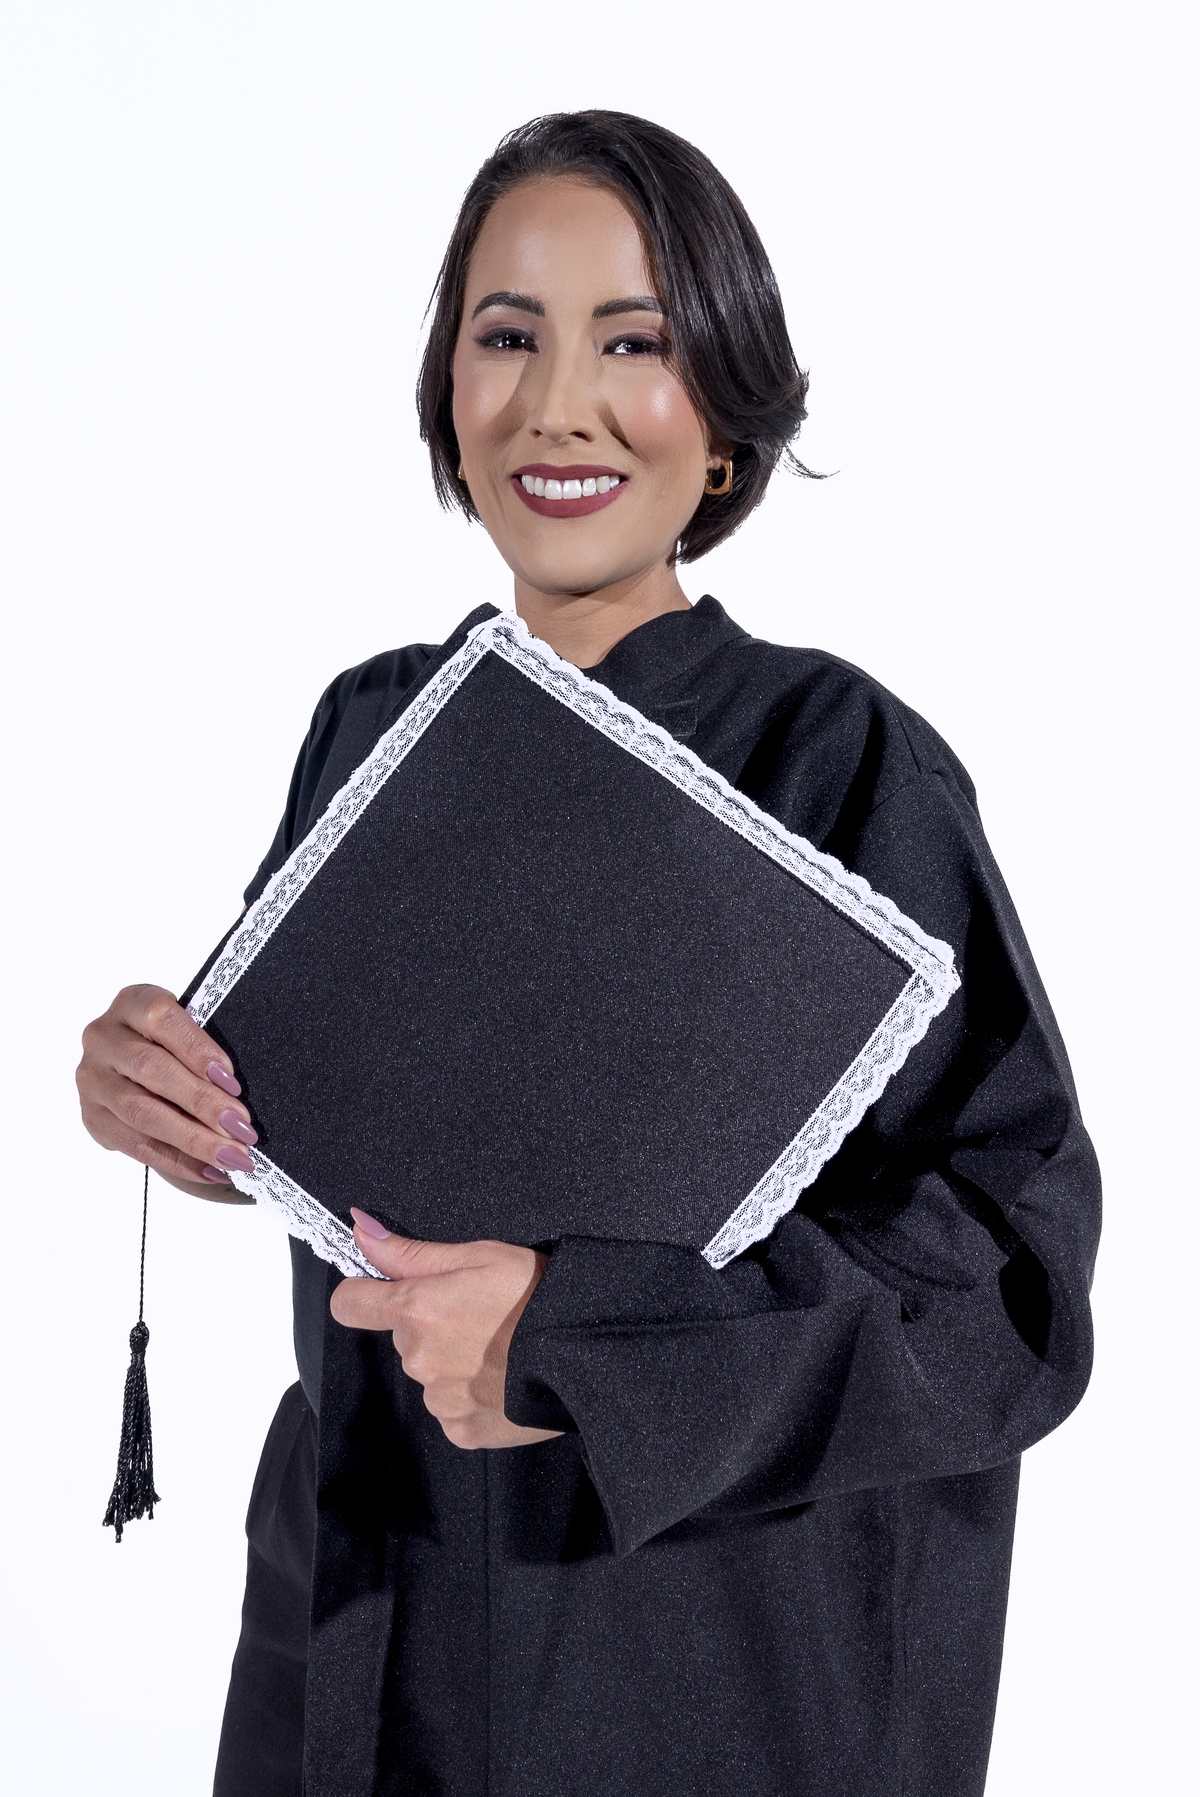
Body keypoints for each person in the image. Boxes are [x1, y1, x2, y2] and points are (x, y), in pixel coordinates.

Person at [76, 111, 1101, 1797]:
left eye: (634, 341)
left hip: (698, 1662)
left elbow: (1008, 1283)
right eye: (508, 336)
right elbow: (317, 1123)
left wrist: (586, 1333)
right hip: (371, 1621)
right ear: (448, 390)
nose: (559, 402)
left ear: (728, 414)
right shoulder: (373, 731)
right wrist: (172, 1101)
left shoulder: (842, 764)